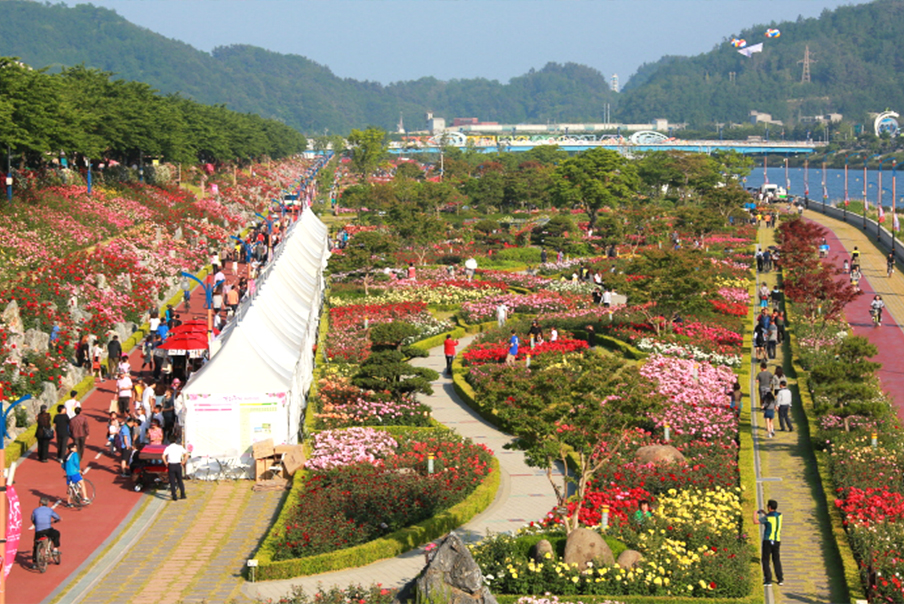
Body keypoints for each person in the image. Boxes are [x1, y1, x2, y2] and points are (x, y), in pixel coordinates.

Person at [754, 500, 784, 587]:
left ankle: (768, 580)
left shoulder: (767, 518)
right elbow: (771, 517)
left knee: (765, 560)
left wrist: (755, 514)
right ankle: (780, 579)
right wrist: (764, 513)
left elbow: (756, 521)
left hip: (768, 540)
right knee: (776, 560)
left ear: (769, 507)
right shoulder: (780, 515)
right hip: (777, 540)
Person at [31, 497, 60, 568]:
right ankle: (55, 549)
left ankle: (34, 563)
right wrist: (57, 520)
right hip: (48, 530)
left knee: (35, 545)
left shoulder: (35, 510)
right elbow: (57, 517)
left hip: (38, 531)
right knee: (56, 533)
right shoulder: (49, 510)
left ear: (40, 503)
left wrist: (36, 523)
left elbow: (32, 519)